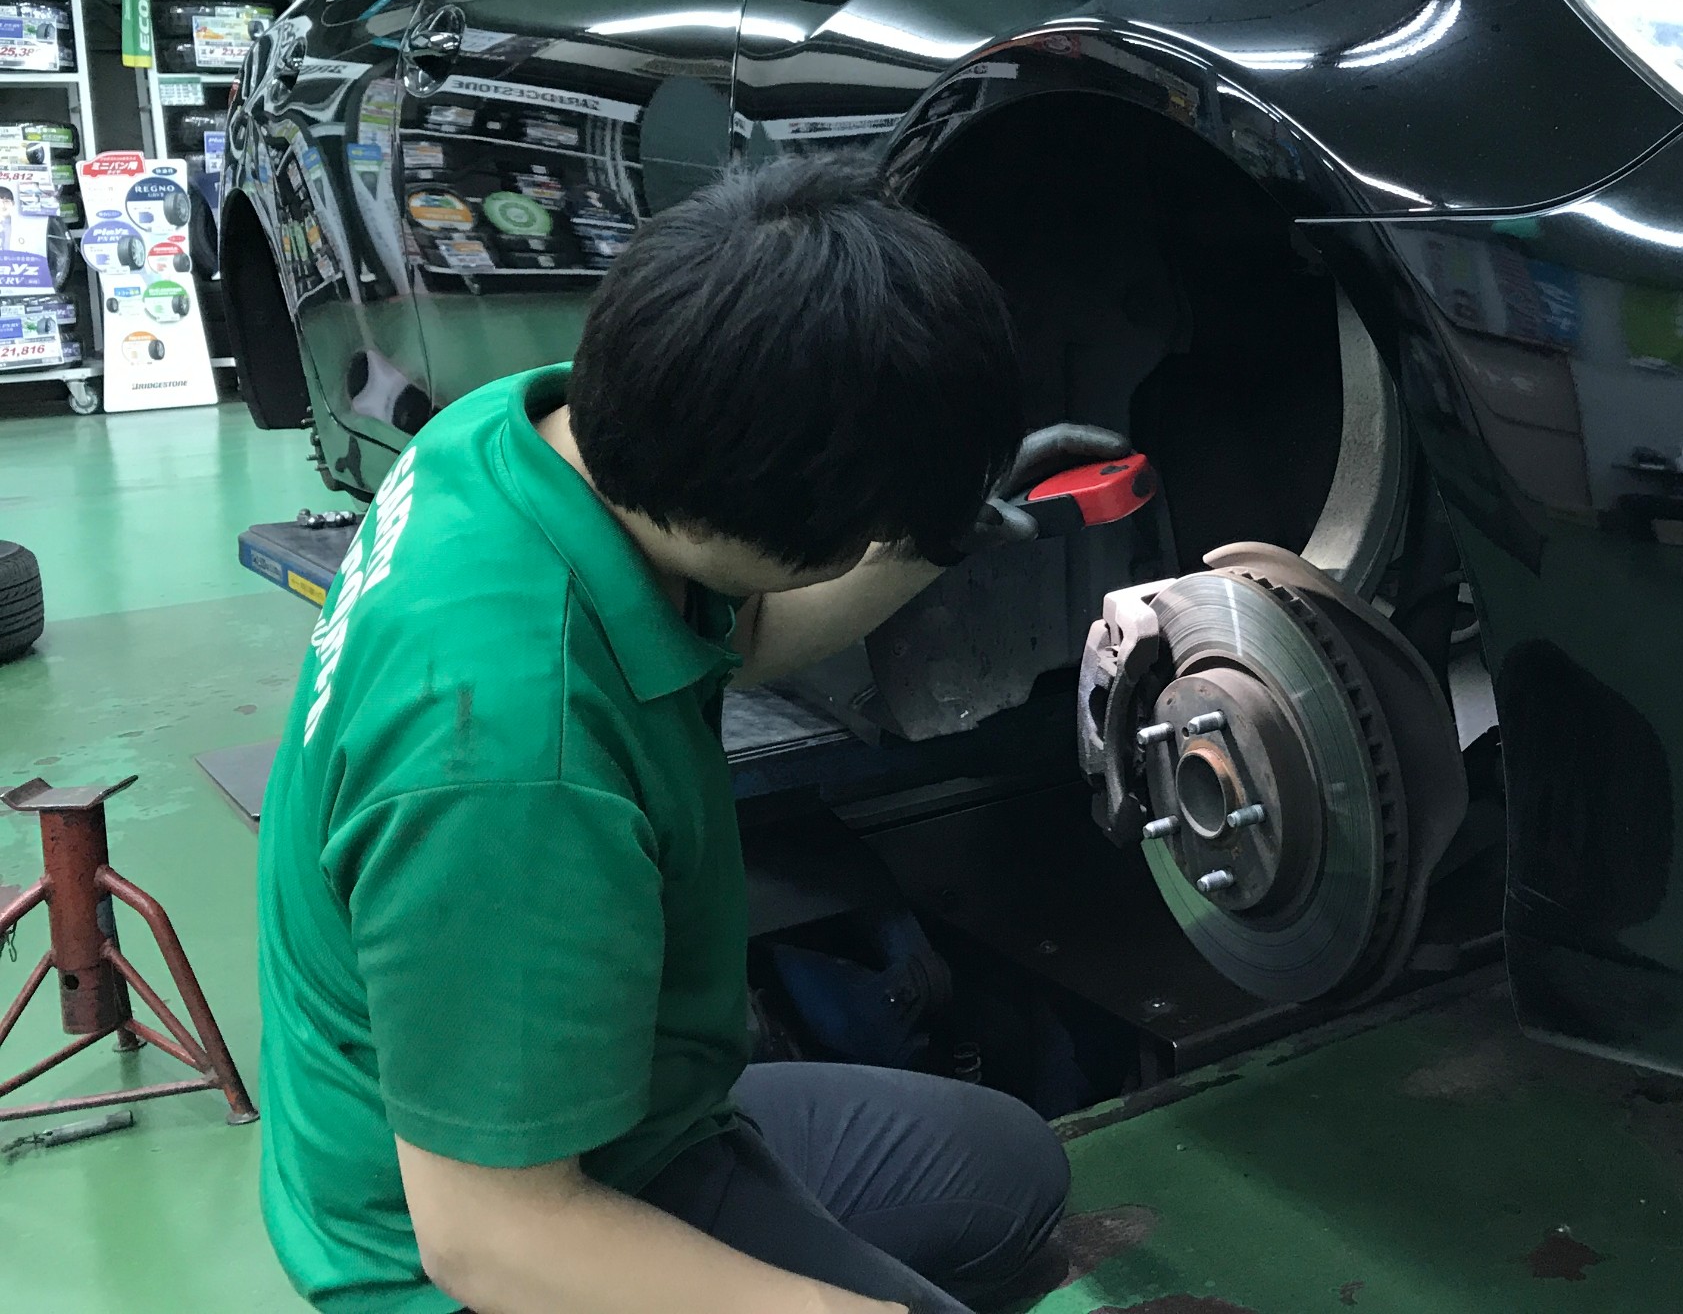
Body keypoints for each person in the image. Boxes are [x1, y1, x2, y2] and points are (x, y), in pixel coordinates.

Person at [256, 157, 1106, 1314]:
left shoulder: (519, 439)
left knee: (1006, 1172)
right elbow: (490, 1239)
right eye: (858, 533)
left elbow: (735, 624)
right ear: (765, 514)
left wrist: (932, 530)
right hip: (471, 1236)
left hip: (624, 1106)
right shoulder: (509, 767)